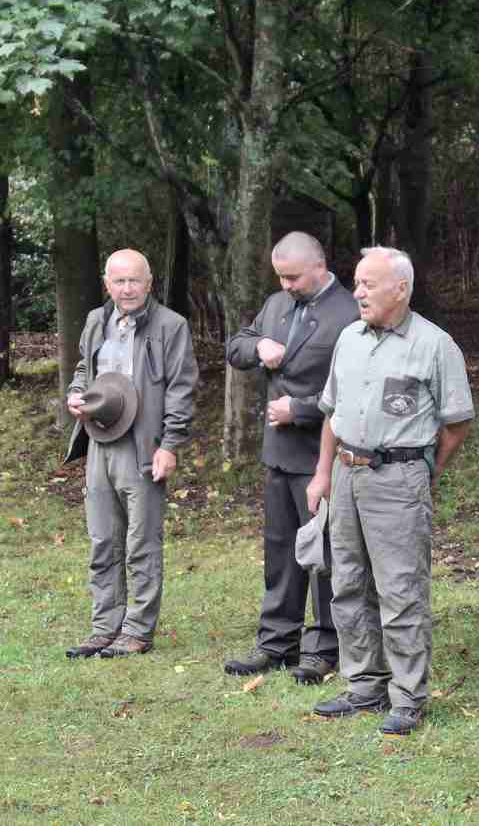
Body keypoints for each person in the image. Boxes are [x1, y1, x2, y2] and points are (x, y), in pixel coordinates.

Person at [305, 247, 473, 736]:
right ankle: (364, 685)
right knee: (348, 583)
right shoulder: (349, 339)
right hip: (345, 475)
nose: (357, 292)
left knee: (400, 590)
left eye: (368, 284)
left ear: (400, 289)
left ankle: (407, 696)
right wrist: (322, 474)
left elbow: (457, 423)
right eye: (356, 283)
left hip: (398, 478)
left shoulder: (435, 345)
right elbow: (331, 414)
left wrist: (423, 470)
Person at [223, 232, 359, 684]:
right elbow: (236, 346)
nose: (286, 285)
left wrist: (300, 409)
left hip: (322, 456)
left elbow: (355, 391)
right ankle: (276, 642)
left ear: (319, 266)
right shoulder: (276, 305)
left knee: (323, 555)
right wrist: (259, 347)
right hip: (278, 455)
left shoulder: (348, 313)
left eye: (293, 277)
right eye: (280, 277)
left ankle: (324, 647)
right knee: (280, 551)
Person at [64, 249, 198, 659]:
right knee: (103, 538)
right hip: (99, 439)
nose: (127, 289)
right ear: (107, 284)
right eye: (119, 281)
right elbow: (84, 369)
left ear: (149, 283)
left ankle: (137, 630)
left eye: (134, 280)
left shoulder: (171, 325)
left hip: (143, 445)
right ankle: (105, 626)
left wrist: (170, 445)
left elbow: (181, 388)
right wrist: (76, 393)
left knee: (141, 540)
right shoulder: (95, 320)